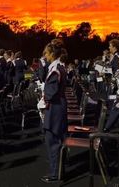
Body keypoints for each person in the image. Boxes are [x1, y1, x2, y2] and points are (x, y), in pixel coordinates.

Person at [40, 40, 67, 183]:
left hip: (55, 107)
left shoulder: (56, 68)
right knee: (56, 139)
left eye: (46, 53)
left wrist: (43, 96)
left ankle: (55, 172)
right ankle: (58, 169)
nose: (44, 56)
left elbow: (51, 92)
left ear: (51, 54)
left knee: (53, 139)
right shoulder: (56, 66)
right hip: (58, 105)